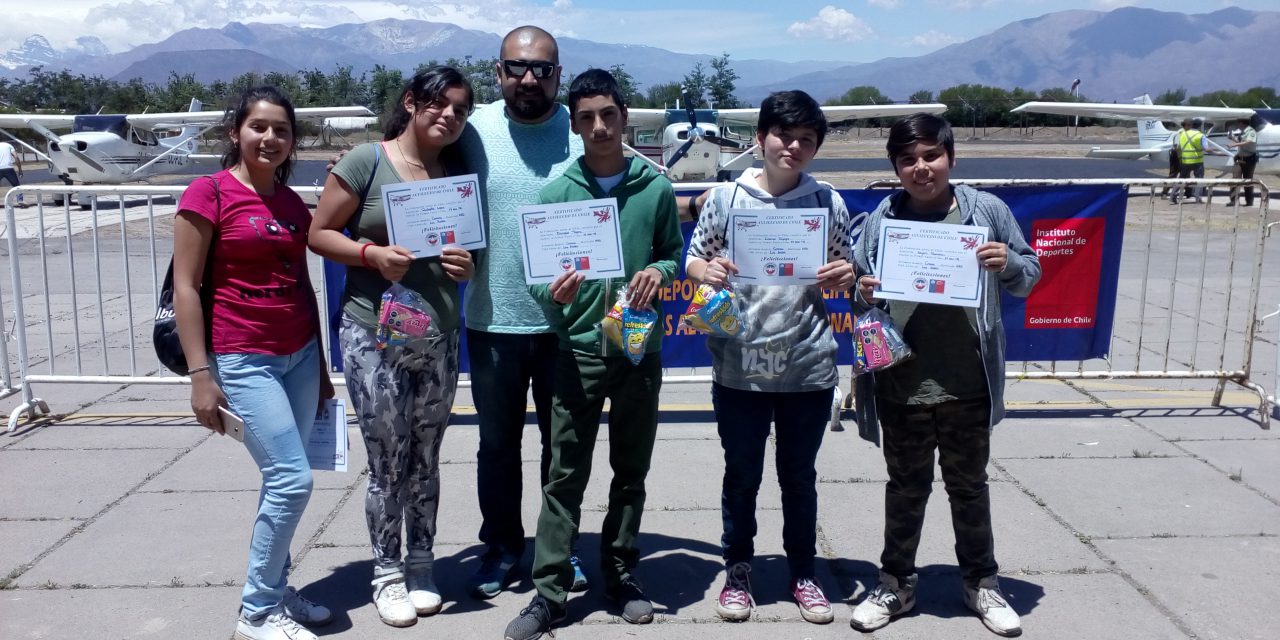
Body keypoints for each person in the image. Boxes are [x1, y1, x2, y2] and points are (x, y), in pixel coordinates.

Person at [503, 68, 684, 640]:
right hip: (577, 352)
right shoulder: (556, 194)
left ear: (625, 117)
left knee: (630, 472)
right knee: (564, 477)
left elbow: (673, 255)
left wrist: (657, 270)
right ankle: (550, 592)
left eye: (609, 114)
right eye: (587, 117)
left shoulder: (653, 188)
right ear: (574, 125)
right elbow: (537, 281)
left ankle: (623, 575)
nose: (600, 126)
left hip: (636, 351)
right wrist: (551, 293)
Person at [848, 113, 1040, 638]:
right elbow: (858, 292)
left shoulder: (989, 213)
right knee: (905, 488)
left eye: (931, 155)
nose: (921, 168)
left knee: (969, 488)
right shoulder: (879, 220)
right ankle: (896, 584)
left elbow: (1029, 276)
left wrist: (1009, 264)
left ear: (951, 158)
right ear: (895, 166)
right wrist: (861, 291)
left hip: (967, 384)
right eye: (907, 159)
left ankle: (981, 583)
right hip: (901, 383)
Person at [308, 66, 475, 627]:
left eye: (459, 109)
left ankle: (423, 562)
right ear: (410, 102)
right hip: (373, 335)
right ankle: (385, 570)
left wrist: (464, 264)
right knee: (388, 460)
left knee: (427, 456)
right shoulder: (365, 160)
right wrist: (369, 255)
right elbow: (319, 232)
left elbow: (466, 250)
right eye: (437, 103)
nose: (447, 115)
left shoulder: (455, 170)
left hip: (440, 333)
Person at [683, 90, 854, 625]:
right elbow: (694, 259)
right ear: (760, 139)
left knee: (799, 477)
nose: (794, 146)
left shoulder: (827, 203)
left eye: (807, 139)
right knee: (742, 476)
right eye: (784, 135)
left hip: (807, 364)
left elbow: (845, 270)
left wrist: (845, 277)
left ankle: (803, 572)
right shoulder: (726, 200)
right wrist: (705, 273)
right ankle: (738, 569)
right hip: (740, 365)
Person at [173, 86, 335, 640]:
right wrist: (201, 376)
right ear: (234, 133)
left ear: (293, 141)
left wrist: (323, 370)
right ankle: (257, 611)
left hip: (300, 356)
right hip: (244, 358)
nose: (270, 138)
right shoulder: (208, 193)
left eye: (282, 130)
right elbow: (186, 289)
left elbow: (302, 286)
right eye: (259, 127)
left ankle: (275, 588)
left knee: (279, 480)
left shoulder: (290, 203)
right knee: (292, 481)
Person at [457, 25, 592, 599]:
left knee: (563, 449)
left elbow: (634, 189)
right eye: (517, 67)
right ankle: (502, 547)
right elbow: (408, 160)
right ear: (499, 72)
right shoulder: (473, 129)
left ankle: (556, 550)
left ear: (558, 74)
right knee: (497, 446)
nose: (529, 78)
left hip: (566, 324)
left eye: (542, 69)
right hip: (492, 320)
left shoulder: (585, 128)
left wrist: (698, 200)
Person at [1172, 118, 1207, 203]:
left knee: (1181, 178)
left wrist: (1180, 157)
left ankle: (1173, 195)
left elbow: (1178, 147)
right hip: (1197, 161)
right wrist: (1217, 152)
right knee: (1199, 179)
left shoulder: (1182, 134)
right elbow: (1205, 148)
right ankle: (1197, 197)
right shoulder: (1200, 135)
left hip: (1185, 161)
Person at [1227, 116, 1258, 207]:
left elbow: (1248, 142)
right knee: (1235, 179)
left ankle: (1249, 201)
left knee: (1247, 181)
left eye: (1238, 123)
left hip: (1249, 160)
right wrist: (1232, 138)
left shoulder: (1251, 131)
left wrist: (1234, 144)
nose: (1237, 125)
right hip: (1240, 158)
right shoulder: (1243, 132)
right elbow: (1242, 144)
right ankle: (1233, 200)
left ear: (1241, 123)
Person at [0, 139, 22, 206]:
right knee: (16, 185)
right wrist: (20, 170)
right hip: (8, 168)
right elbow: (16, 157)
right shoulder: (9, 145)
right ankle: (20, 200)